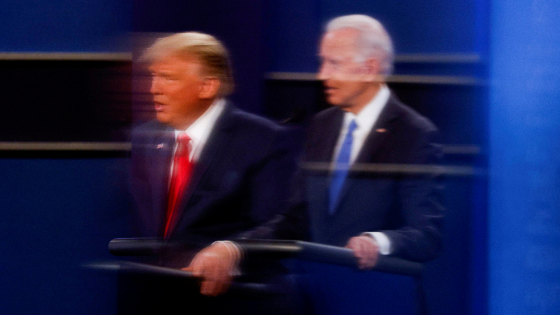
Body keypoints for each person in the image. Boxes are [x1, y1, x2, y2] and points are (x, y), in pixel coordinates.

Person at [191, 14, 444, 299]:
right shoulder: (321, 126)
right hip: (319, 297)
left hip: (379, 297)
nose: (322, 74)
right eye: (322, 61)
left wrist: (377, 242)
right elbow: (295, 218)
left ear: (370, 67)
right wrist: (233, 248)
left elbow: (427, 233)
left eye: (334, 63)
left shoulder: (414, 133)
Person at [126, 32, 297, 313]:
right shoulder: (144, 139)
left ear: (207, 86)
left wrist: (231, 250)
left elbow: (283, 223)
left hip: (230, 301)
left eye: (168, 78)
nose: (154, 88)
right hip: (153, 299)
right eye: (153, 76)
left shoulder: (263, 139)